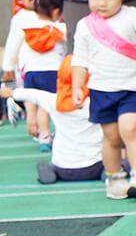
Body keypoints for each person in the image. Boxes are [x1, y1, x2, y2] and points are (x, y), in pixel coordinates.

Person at [71, 0, 136, 200]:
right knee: (111, 137)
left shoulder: (132, 18)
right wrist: (77, 86)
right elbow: (80, 59)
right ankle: (115, 178)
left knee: (131, 128)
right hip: (101, 90)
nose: (101, 2)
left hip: (132, 88)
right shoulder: (85, 26)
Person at [12, 55, 103, 184]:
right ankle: (111, 172)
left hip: (63, 168)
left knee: (54, 164)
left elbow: (33, 94)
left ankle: (51, 171)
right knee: (116, 161)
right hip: (95, 166)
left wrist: (11, 93)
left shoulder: (53, 101)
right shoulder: (96, 101)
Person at [2, 0, 66, 149]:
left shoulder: (28, 28)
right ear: (57, 12)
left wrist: (8, 67)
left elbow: (14, 46)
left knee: (37, 104)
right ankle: (56, 136)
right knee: (52, 105)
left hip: (30, 73)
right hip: (52, 72)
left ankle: (41, 134)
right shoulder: (59, 29)